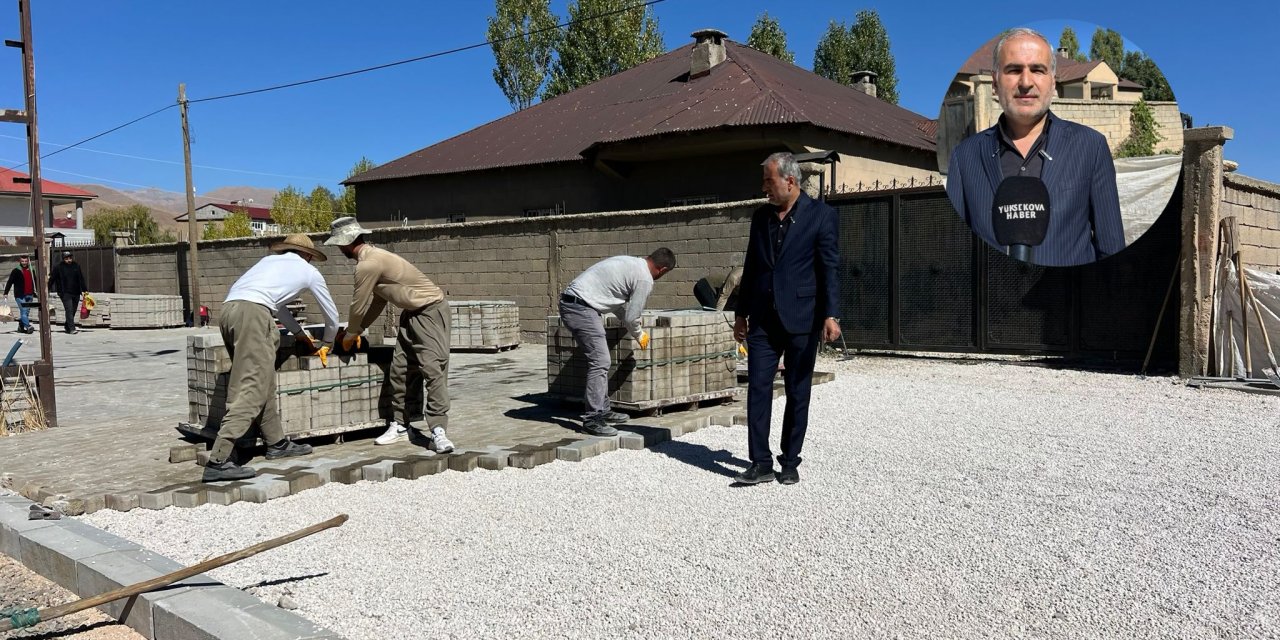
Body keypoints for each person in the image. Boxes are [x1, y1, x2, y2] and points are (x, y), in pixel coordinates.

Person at [946, 27, 1125, 267]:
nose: (1026, 82)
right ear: (995, 84)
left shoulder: (1091, 147)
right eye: (1014, 70)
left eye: (1037, 70)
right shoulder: (965, 157)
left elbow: (1112, 251)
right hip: (993, 302)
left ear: (1052, 82)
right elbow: (955, 257)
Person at [732, 152, 841, 486]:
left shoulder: (821, 216)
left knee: (797, 391)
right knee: (758, 389)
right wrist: (740, 313)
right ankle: (760, 463)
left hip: (803, 318)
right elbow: (752, 267)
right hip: (763, 319)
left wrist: (831, 313)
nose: (764, 187)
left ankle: (790, 461)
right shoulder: (760, 218)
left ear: (790, 180)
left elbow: (828, 267)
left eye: (769, 180)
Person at [202, 234, 339, 482]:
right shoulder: (309, 272)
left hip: (230, 312)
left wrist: (299, 334)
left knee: (263, 381)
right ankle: (219, 460)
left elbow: (280, 308)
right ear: (308, 255)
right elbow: (332, 316)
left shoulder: (268, 263)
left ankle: (276, 443)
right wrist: (327, 342)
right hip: (253, 314)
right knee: (251, 386)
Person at [324, 216, 456, 452]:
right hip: (410, 314)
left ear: (346, 242)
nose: (338, 249)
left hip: (430, 311)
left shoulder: (368, 264)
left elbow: (358, 305)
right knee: (400, 371)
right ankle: (400, 426)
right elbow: (377, 302)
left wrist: (349, 334)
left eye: (338, 245)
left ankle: (438, 431)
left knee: (432, 369)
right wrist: (360, 330)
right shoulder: (374, 258)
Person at [559, 248, 676, 436]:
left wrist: (629, 323)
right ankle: (593, 418)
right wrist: (639, 334)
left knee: (600, 360)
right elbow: (631, 317)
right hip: (580, 308)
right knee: (601, 361)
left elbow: (616, 303)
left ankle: (603, 410)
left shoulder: (632, 263)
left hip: (576, 303)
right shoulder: (644, 279)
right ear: (662, 270)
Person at [47, 251, 87, 334]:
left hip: (76, 292)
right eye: (67, 258)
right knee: (69, 310)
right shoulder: (59, 267)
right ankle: (72, 328)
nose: (69, 260)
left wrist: (85, 290)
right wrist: (47, 289)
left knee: (73, 310)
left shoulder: (76, 266)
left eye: (70, 258)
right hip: (64, 292)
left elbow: (81, 278)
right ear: (63, 259)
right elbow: (52, 279)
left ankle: (67, 325)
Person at [4, 255, 36, 333]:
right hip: (20, 295)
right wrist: (6, 292)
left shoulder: (32, 270)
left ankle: (21, 327)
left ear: (28, 261)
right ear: (20, 261)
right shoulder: (16, 270)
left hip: (30, 294)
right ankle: (28, 326)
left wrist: (36, 291)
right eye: (22, 261)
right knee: (24, 311)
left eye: (26, 261)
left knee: (26, 312)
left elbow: (35, 281)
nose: (24, 263)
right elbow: (10, 281)